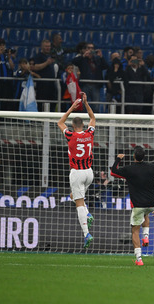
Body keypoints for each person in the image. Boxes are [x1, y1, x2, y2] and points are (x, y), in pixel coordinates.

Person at [110, 147, 154, 266]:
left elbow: (113, 172)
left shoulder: (129, 169)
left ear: (133, 156)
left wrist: (118, 159)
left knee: (135, 231)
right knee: (145, 213)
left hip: (138, 204)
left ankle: (139, 259)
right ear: (144, 156)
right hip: (151, 203)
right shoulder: (151, 167)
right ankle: (146, 237)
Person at [57, 92, 96, 248]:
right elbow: (93, 118)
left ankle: (86, 233)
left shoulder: (70, 136)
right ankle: (87, 213)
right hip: (89, 172)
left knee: (78, 203)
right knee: (75, 195)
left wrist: (72, 107)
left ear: (73, 126)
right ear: (83, 125)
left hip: (77, 173)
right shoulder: (89, 134)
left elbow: (60, 122)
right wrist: (85, 103)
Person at [72, 43, 108, 112]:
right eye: (88, 48)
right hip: (85, 84)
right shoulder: (82, 59)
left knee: (96, 106)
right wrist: (83, 56)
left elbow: (106, 66)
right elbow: (74, 62)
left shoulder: (97, 59)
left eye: (92, 48)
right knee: (84, 105)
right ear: (85, 49)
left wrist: (101, 57)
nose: (90, 50)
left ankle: (94, 121)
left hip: (95, 84)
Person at [31, 39, 57, 111]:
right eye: (46, 46)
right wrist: (46, 63)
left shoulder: (51, 56)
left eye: (49, 46)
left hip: (51, 84)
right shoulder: (38, 56)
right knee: (42, 104)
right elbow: (35, 67)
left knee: (52, 103)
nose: (48, 48)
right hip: (43, 84)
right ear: (42, 47)